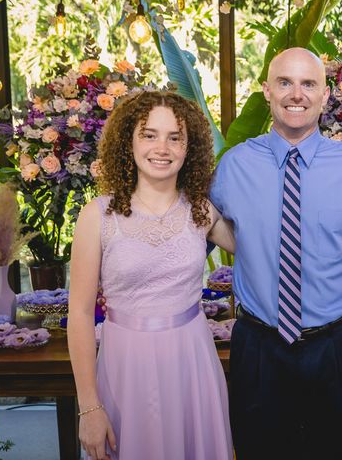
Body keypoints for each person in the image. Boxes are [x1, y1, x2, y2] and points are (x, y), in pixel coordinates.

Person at [210, 47, 342, 459]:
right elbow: (190, 235)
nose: (296, 94)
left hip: (336, 347)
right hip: (259, 346)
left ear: (325, 97)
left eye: (309, 84)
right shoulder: (233, 167)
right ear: (267, 91)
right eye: (285, 82)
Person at [67, 91, 234, 460]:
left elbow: (258, 246)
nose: (163, 147)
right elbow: (78, 315)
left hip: (192, 366)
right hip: (125, 369)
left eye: (175, 137)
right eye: (149, 134)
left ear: (189, 147)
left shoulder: (201, 211)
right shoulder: (97, 216)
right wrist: (89, 406)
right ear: (129, 141)